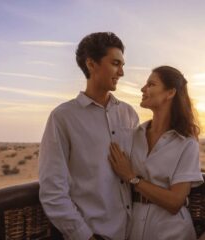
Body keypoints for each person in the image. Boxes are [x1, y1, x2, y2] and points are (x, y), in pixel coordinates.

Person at [39, 32, 139, 240]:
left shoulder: (129, 114)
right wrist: (84, 236)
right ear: (91, 64)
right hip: (93, 234)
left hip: (133, 231)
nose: (122, 72)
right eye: (115, 63)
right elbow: (52, 190)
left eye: (122, 65)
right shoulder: (63, 117)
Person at [108, 66, 203, 240]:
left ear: (170, 93)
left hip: (172, 232)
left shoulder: (187, 143)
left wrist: (132, 177)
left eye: (151, 84)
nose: (143, 89)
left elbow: (175, 201)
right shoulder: (133, 136)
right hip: (133, 228)